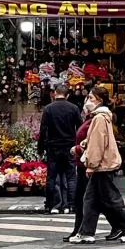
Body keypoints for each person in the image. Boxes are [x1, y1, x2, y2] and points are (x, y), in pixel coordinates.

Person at [69, 86, 125, 244]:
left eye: (91, 98)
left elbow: (98, 144)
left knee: (111, 199)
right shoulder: (100, 117)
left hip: (102, 165)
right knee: (91, 199)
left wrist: (91, 165)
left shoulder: (100, 118)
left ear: (99, 100)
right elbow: (95, 139)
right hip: (103, 164)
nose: (88, 101)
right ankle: (86, 232)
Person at [37, 85, 81, 214]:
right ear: (67, 95)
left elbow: (43, 130)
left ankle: (50, 205)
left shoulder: (48, 109)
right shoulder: (73, 108)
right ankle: (72, 205)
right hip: (69, 146)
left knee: (51, 177)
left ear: (54, 94)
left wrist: (40, 149)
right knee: (71, 176)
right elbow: (80, 128)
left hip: (53, 147)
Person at [65, 92, 96, 241]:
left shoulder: (97, 119)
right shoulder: (89, 119)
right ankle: (80, 229)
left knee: (84, 199)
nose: (87, 102)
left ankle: (82, 230)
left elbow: (93, 141)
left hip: (88, 164)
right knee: (97, 200)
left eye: (90, 98)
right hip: (83, 163)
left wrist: (78, 148)